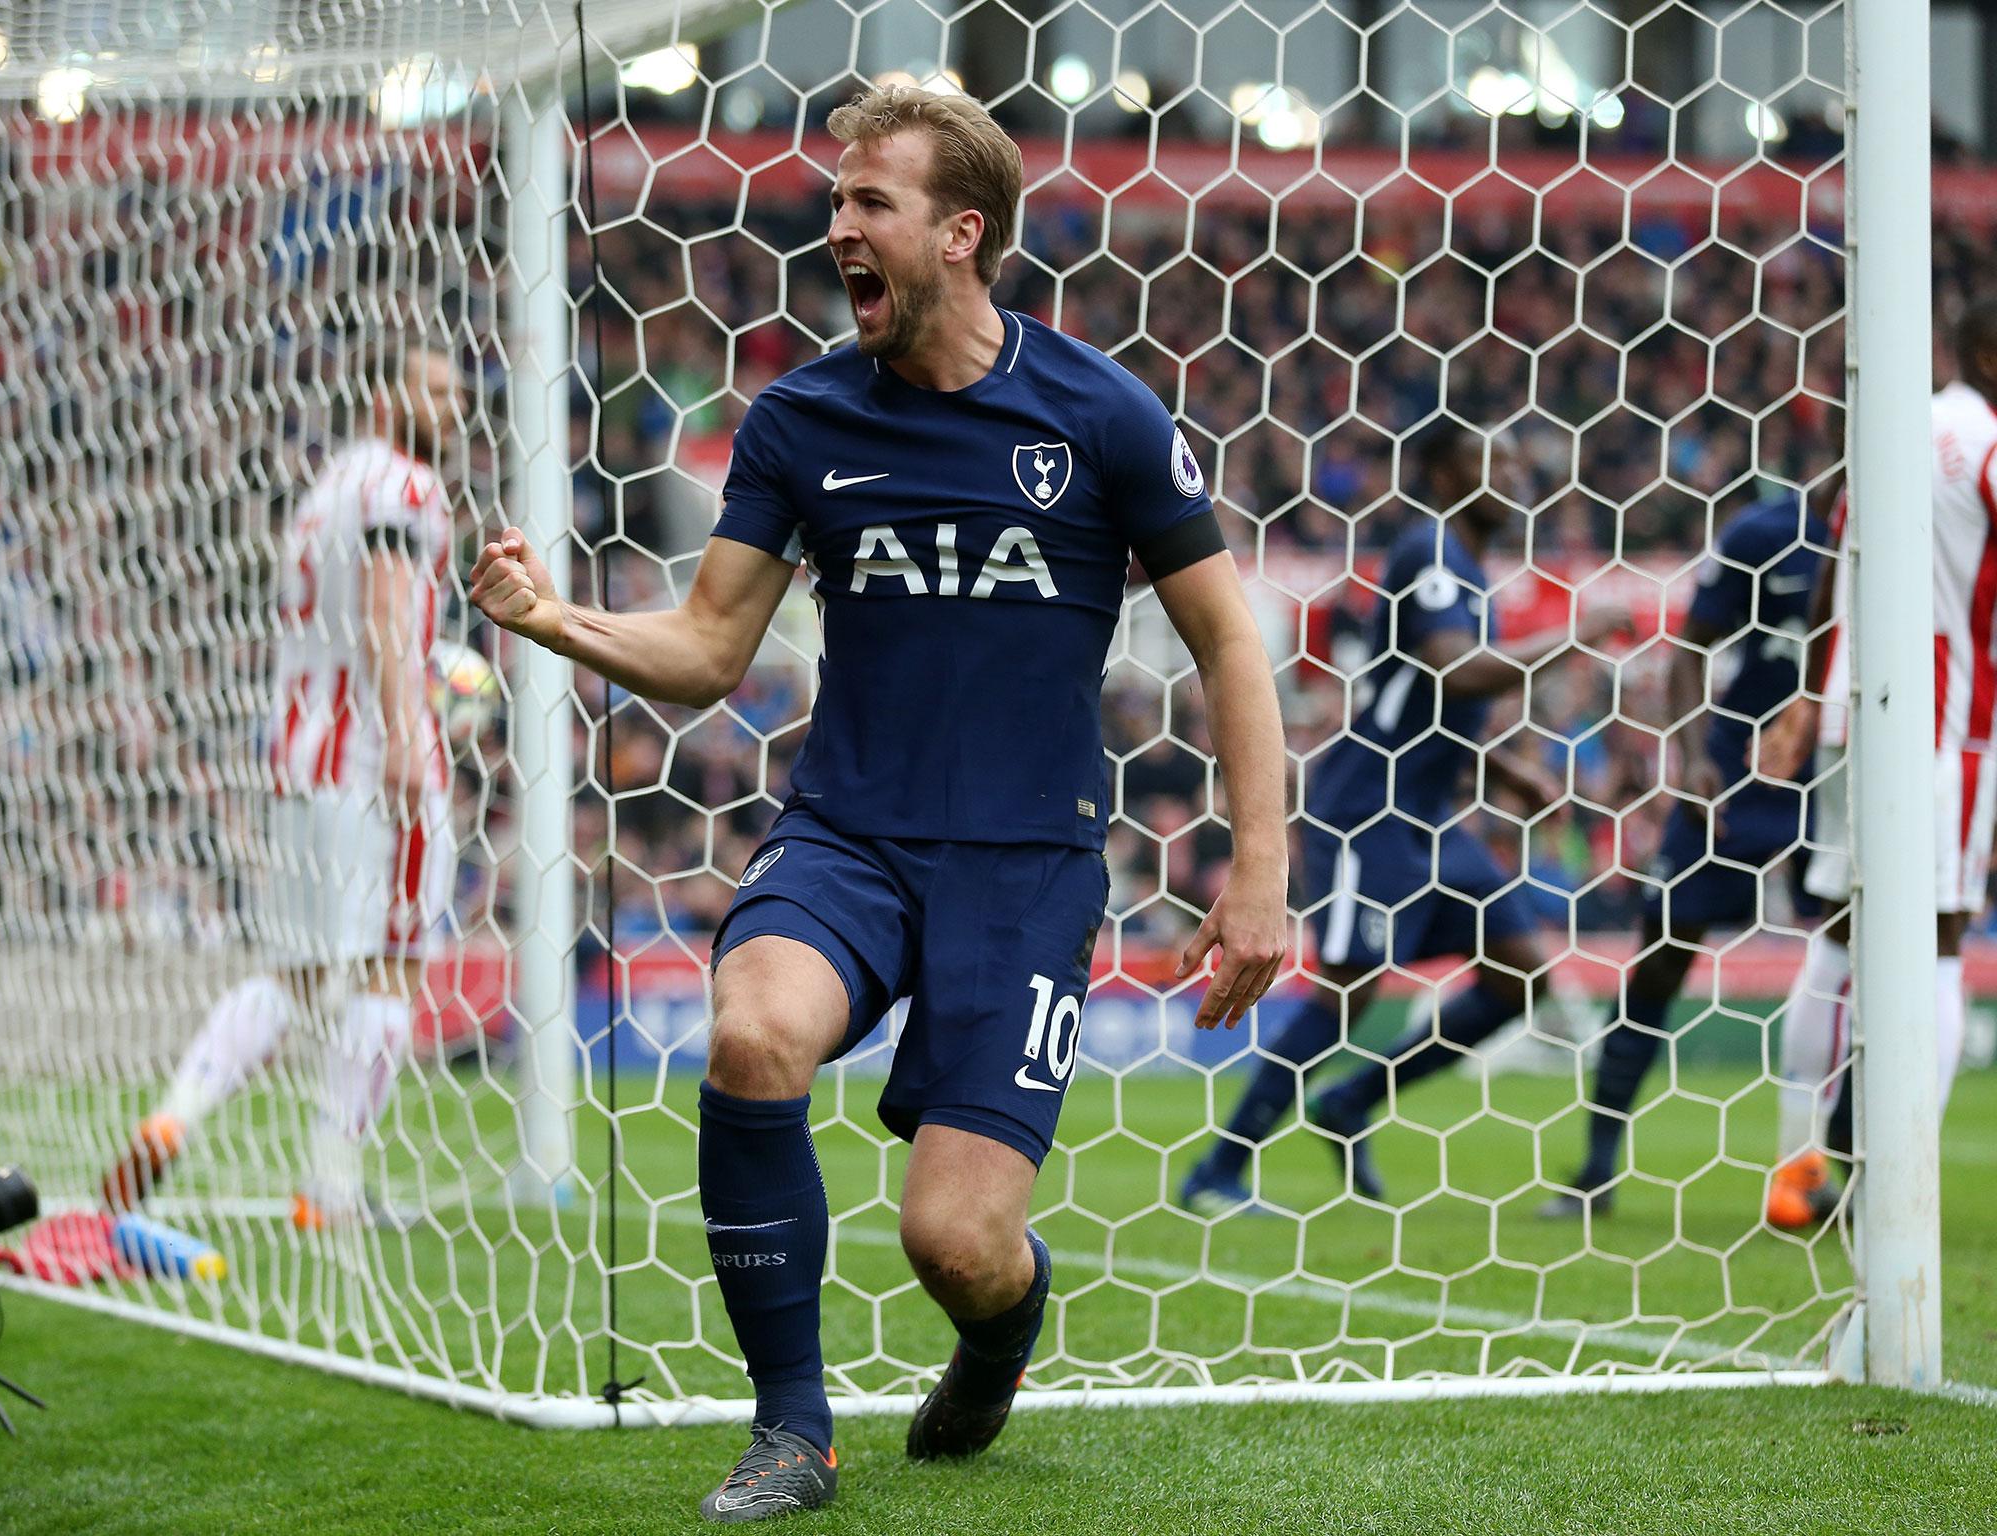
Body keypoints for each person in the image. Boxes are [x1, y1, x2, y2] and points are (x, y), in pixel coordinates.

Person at [468, 85, 1287, 1523]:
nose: (835, 226)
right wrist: (554, 619)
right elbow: (709, 651)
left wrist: (1259, 877)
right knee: (751, 1033)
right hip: (845, 837)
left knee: (959, 1245)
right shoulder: (799, 419)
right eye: (836, 202)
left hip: (1029, 869)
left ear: (960, 233)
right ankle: (796, 1430)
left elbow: (1229, 636)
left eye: (869, 205)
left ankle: (1001, 1335)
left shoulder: (1096, 414)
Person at [1182, 420, 1625, 1212]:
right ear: (1446, 474)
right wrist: (1576, 635)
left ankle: (1354, 1100)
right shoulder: (1431, 553)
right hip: (1367, 812)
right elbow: (1452, 672)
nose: (1515, 473)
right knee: (1349, 993)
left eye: (1518, 459)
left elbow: (1422, 710)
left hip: (1428, 816)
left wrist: (1507, 771)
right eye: (1492, 456)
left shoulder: (1469, 574)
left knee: (1520, 972)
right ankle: (1219, 1170)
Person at [102, 340, 469, 1231]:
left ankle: (172, 1115)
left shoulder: (321, 493)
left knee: (295, 975)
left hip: (299, 764)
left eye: (458, 391)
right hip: (376, 763)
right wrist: (399, 736)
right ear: (385, 396)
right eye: (432, 388)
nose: (451, 408)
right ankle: (329, 1188)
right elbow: (386, 607)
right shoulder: (403, 486)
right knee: (390, 968)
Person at [1756, 300, 1997, 1228]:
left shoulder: (1890, 439)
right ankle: (1898, 1188)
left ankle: (1795, 1169)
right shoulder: (1982, 445)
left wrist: (1809, 699)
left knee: (1842, 933)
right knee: (1941, 935)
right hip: (1946, 728)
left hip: (1854, 718)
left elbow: (1829, 577)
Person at [1540, 488, 1826, 1218]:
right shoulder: (1764, 532)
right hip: (1735, 769)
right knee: (1662, 955)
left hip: (1834, 771)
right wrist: (1695, 756)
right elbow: (1691, 649)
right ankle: (1597, 1167)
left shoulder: (1897, 527)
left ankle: (1840, 1162)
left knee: (1849, 962)